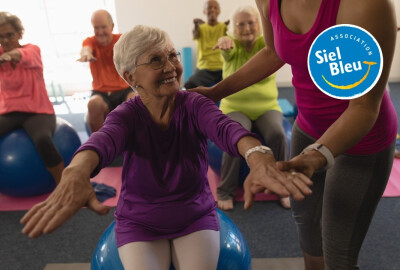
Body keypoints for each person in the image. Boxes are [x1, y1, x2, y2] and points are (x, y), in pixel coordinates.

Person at [20, 25, 312, 269]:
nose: (171, 66)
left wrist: (256, 154)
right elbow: (103, 140)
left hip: (194, 215)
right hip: (139, 221)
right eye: (156, 60)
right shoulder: (127, 114)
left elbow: (226, 129)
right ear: (130, 76)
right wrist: (75, 172)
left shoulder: (194, 103)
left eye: (172, 55)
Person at [190, 0, 398, 269]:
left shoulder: (366, 5)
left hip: (362, 138)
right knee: (309, 235)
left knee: (339, 256)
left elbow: (365, 108)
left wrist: (317, 155)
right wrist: (215, 92)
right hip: (308, 128)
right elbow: (273, 52)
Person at [213, 5, 289, 210]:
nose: (246, 28)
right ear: (234, 28)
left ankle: (281, 184)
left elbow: (280, 45)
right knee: (235, 136)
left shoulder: (268, 45)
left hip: (267, 106)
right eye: (241, 24)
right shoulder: (233, 46)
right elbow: (226, 49)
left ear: (259, 24)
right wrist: (223, 42)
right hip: (235, 106)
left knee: (278, 134)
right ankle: (225, 191)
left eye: (251, 23)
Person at [0, 12, 64, 184]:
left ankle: (64, 186)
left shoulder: (32, 50)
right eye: (0, 37)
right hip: (9, 112)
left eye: (9, 35)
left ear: (19, 34)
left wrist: (8, 56)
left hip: (39, 111)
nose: (5, 41)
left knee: (43, 140)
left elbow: (21, 56)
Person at [77, 9, 137, 133]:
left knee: (135, 100)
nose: (99, 32)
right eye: (96, 28)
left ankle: (133, 145)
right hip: (101, 92)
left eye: (103, 27)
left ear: (112, 26)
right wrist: (86, 54)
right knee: (93, 104)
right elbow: (86, 49)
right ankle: (100, 147)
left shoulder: (121, 40)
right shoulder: (90, 41)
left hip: (124, 90)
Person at [183, 0, 229, 89]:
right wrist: (196, 24)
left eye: (215, 8)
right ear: (204, 11)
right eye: (209, 8)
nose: (212, 10)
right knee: (189, 85)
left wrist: (231, 24)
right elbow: (195, 34)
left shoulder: (224, 27)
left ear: (219, 11)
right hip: (204, 69)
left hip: (222, 68)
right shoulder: (200, 27)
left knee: (236, 84)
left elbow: (232, 37)